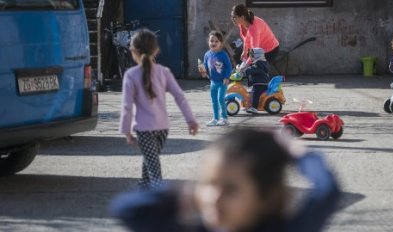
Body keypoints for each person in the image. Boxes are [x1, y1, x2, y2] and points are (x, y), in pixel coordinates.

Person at [110, 128, 340, 232]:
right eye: (210, 184)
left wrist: (298, 151)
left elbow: (327, 191)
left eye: (231, 189)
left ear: (266, 196)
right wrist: (186, 191)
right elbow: (125, 209)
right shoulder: (195, 227)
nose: (214, 198)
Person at [119, 28, 199, 188]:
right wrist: (191, 120)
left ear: (133, 51)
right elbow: (180, 97)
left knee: (153, 168)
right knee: (151, 159)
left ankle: (159, 198)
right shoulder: (164, 72)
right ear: (156, 51)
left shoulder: (131, 75)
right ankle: (143, 187)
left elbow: (127, 106)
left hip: (144, 129)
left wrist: (126, 131)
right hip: (163, 128)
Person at [201, 31, 232, 126]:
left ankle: (224, 118)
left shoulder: (223, 55)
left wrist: (226, 77)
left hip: (223, 82)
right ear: (208, 42)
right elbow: (205, 66)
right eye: (211, 41)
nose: (213, 43)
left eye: (216, 41)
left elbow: (229, 66)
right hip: (213, 82)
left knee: (220, 99)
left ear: (221, 43)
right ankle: (215, 118)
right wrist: (203, 72)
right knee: (214, 101)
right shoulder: (207, 54)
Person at [241, 48, 270, 114]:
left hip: (261, 84)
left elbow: (253, 69)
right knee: (249, 93)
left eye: (252, 55)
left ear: (257, 56)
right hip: (257, 83)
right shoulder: (260, 62)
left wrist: (245, 70)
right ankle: (248, 106)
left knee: (255, 94)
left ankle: (254, 107)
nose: (250, 57)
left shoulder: (259, 63)